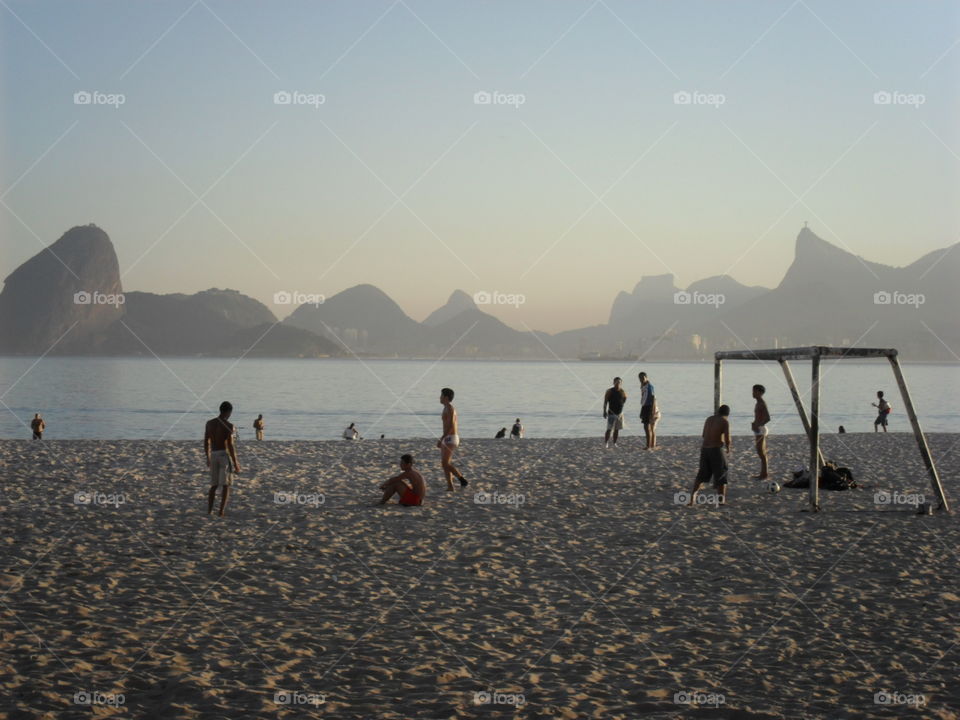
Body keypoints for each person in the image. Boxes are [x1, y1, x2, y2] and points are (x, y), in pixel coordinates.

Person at [687, 405, 732, 506]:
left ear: (718, 411)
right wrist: (728, 448)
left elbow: (704, 435)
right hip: (716, 449)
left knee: (701, 475)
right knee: (721, 473)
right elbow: (727, 438)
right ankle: (721, 500)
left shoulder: (709, 419)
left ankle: (692, 498)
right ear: (727, 415)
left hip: (704, 449)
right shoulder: (725, 421)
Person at [204, 401, 241, 517]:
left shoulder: (209, 423)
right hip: (223, 455)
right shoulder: (229, 426)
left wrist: (208, 457)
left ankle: (209, 511)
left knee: (213, 485)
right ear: (229, 412)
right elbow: (230, 445)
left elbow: (206, 441)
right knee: (225, 485)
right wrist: (236, 463)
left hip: (213, 454)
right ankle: (221, 511)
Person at [438, 387, 467, 490]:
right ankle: (450, 486)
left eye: (441, 395)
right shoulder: (445, 408)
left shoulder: (450, 408)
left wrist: (442, 438)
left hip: (451, 437)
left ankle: (461, 479)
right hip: (447, 437)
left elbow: (451, 426)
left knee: (445, 463)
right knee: (445, 464)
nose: (439, 397)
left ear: (446, 397)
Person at [751, 384, 770, 480]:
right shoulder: (757, 403)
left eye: (754, 391)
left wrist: (759, 425)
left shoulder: (762, 403)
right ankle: (763, 473)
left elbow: (767, 418)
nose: (753, 393)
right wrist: (754, 423)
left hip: (761, 429)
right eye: (753, 391)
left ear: (760, 392)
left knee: (761, 452)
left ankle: (764, 474)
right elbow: (758, 417)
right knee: (760, 452)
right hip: (758, 428)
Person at [602, 377, 627, 448]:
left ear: (621, 383)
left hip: (620, 413)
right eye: (616, 382)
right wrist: (604, 411)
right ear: (613, 383)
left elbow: (625, 398)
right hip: (611, 413)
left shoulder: (622, 391)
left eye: (619, 382)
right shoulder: (610, 391)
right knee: (609, 429)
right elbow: (605, 402)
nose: (617, 383)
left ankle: (614, 443)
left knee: (617, 429)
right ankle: (606, 443)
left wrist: (621, 405)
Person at [638, 372, 658, 449]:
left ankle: (648, 445)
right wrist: (641, 411)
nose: (641, 379)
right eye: (640, 378)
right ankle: (648, 445)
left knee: (647, 427)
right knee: (645, 427)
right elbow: (643, 399)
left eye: (643, 378)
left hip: (649, 407)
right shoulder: (643, 386)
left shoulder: (649, 386)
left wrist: (652, 411)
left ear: (646, 377)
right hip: (644, 407)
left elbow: (653, 398)